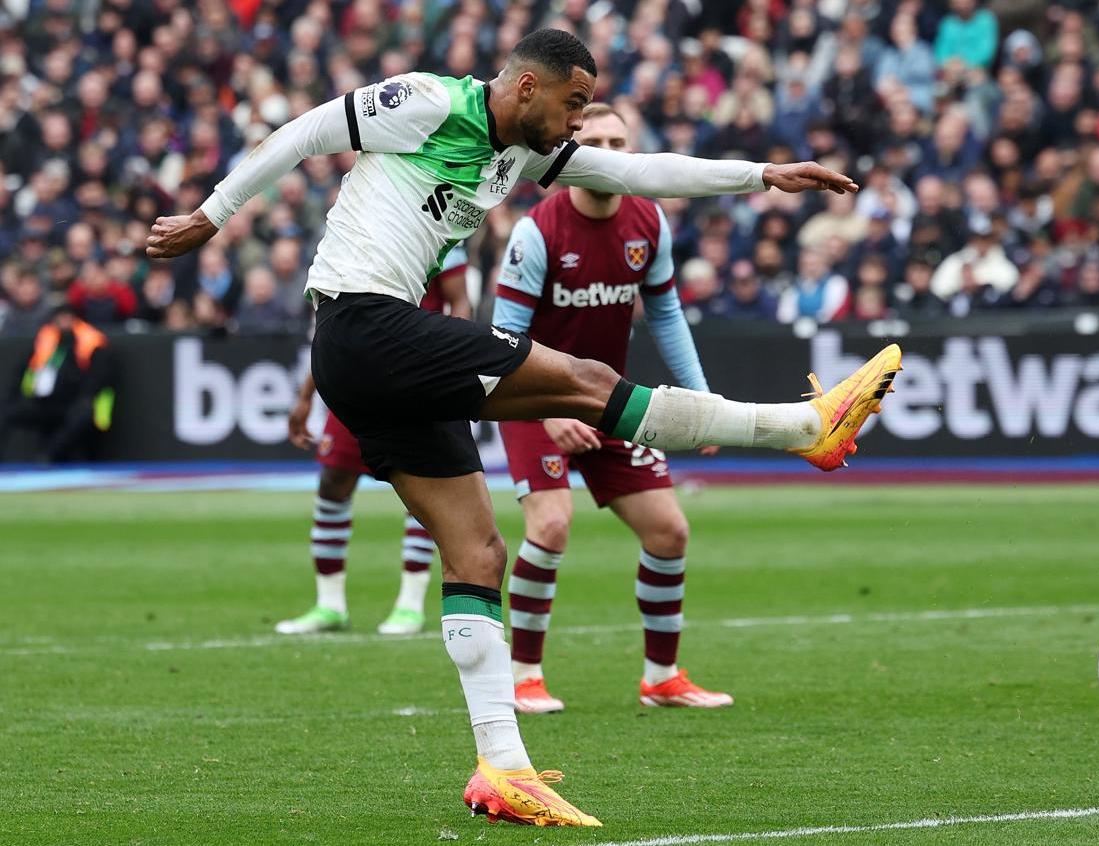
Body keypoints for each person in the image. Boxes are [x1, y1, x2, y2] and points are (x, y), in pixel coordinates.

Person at [144, 29, 902, 828]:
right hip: (366, 324)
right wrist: (211, 213)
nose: (579, 123)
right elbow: (304, 132)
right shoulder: (430, 102)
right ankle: (803, 428)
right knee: (586, 383)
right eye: (574, 103)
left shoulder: (520, 156)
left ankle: (501, 769)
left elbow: (637, 171)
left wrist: (760, 177)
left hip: (367, 351)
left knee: (477, 552)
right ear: (527, 87)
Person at [490, 104, 732, 714]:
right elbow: (503, 340)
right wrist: (547, 413)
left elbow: (667, 314)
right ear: (572, 148)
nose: (606, 149)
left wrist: (701, 397)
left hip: (606, 398)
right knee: (550, 525)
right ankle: (523, 675)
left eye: (617, 140)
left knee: (669, 531)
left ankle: (661, 677)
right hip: (531, 399)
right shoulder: (537, 231)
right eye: (592, 139)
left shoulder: (649, 219)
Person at [275, 248, 472, 636]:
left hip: (415, 377)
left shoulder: (440, 232)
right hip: (356, 374)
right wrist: (305, 394)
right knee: (333, 482)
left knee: (421, 488)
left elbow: (460, 299)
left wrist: (448, 364)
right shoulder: (354, 237)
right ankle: (329, 604)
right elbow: (330, 320)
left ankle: (410, 604)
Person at [1, 305, 113, 463]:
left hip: (75, 403)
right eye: (60, 318)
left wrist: (83, 398)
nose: (64, 322)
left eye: (68, 318)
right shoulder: (46, 339)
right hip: (44, 402)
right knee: (7, 411)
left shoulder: (91, 341)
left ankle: (47, 456)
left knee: (81, 415)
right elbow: (25, 369)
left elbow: (99, 378)